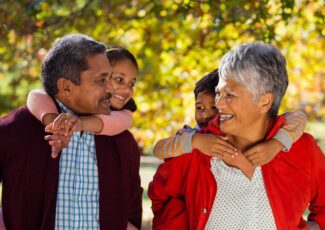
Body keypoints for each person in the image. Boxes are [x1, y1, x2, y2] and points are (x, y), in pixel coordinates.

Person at [148, 42, 325, 229]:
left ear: (265, 101)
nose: (219, 104)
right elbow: (163, 198)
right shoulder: (195, 147)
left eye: (230, 95)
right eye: (218, 93)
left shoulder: (303, 150)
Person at [0, 34, 143, 229]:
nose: (111, 88)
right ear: (66, 87)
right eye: (102, 80)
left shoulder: (123, 141)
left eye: (111, 78)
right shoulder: (13, 132)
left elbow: (132, 205)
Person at [153, 69, 307, 166]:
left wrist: (276, 144)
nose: (205, 114)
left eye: (214, 107)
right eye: (200, 108)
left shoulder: (250, 130)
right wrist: (195, 141)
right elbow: (159, 149)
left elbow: (298, 117)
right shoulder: (191, 134)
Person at [26, 45, 138, 158]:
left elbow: (114, 122)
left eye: (131, 84)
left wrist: (77, 123)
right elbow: (36, 95)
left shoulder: (125, 114)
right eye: (119, 79)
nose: (128, 89)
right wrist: (55, 123)